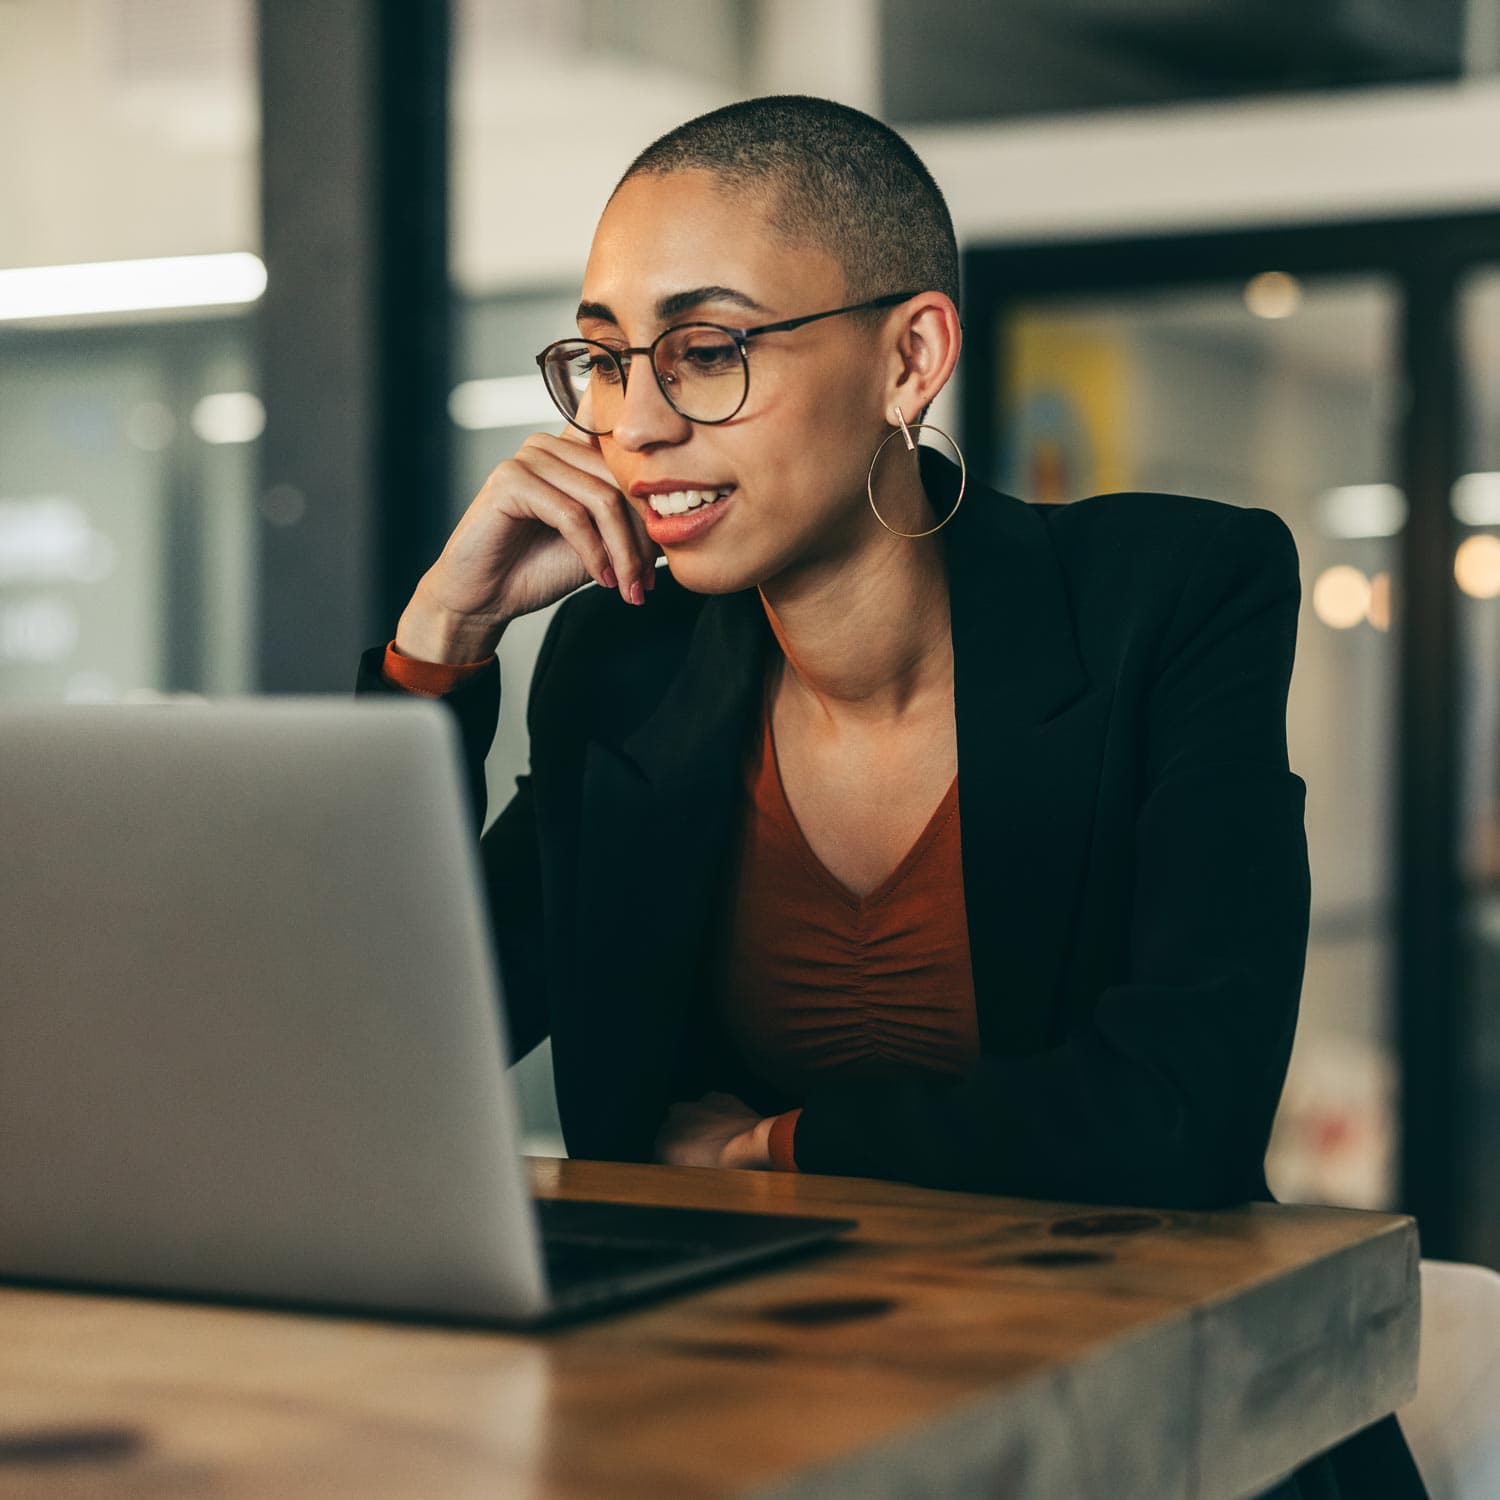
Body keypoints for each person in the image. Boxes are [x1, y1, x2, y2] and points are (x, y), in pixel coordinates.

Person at [357, 95, 1426, 1500]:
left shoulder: (1169, 597)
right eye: (605, 360)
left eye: (708, 349)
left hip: (1156, 1424)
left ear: (909, 355)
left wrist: (776, 1148)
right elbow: (388, 1041)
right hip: (745, 1422)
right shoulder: (628, 664)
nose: (636, 422)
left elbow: (1183, 1110)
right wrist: (442, 642)